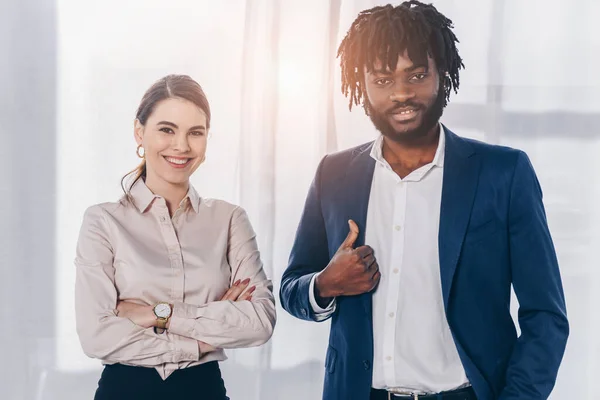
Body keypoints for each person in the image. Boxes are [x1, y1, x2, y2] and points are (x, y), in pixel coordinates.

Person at [279, 2, 568, 400]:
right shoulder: (334, 174)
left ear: (442, 73)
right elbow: (292, 288)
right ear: (360, 82)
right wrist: (326, 284)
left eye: (416, 75)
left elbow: (546, 316)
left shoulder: (504, 173)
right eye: (382, 79)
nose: (401, 93)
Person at [75, 74, 276, 400]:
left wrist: (159, 314)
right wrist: (201, 342)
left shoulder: (229, 219)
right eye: (167, 129)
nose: (181, 146)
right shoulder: (103, 221)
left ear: (207, 139)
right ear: (140, 132)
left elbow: (259, 321)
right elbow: (96, 336)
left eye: (195, 133)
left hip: (204, 391)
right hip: (123, 392)